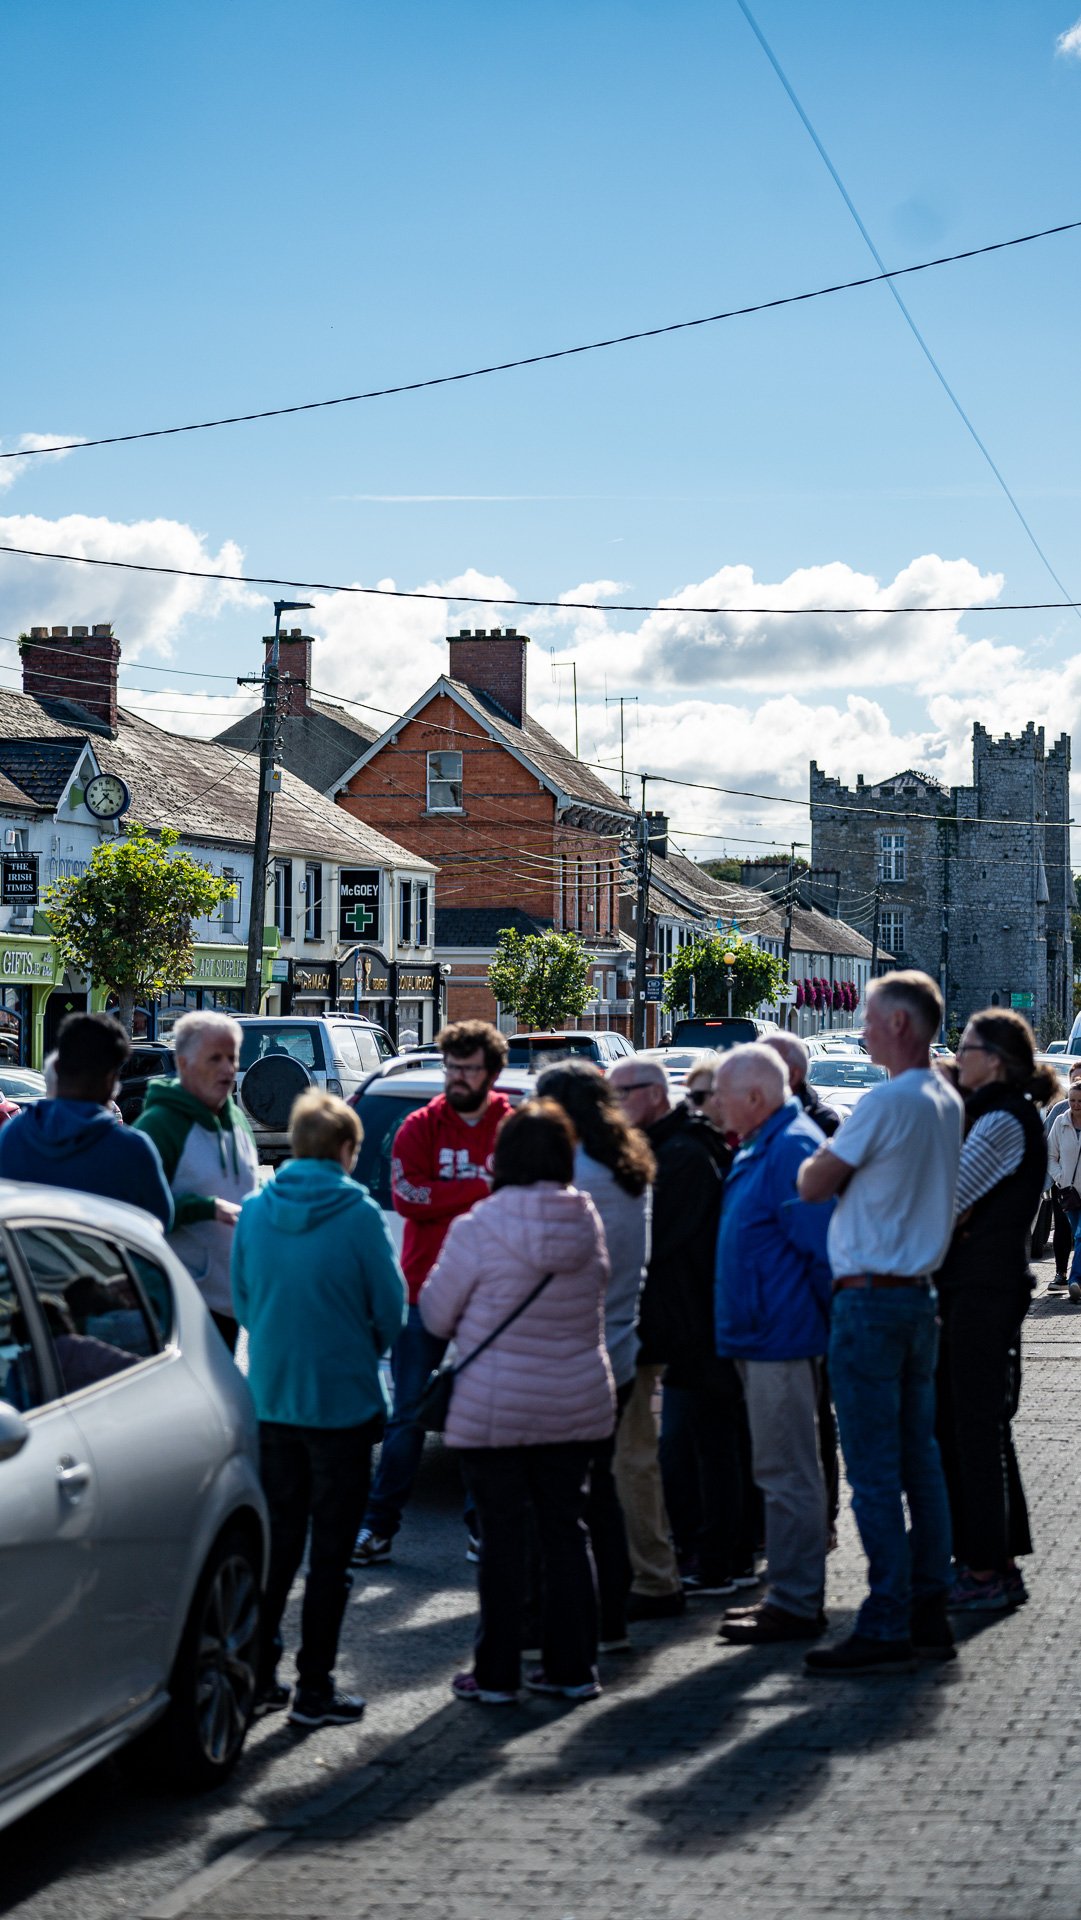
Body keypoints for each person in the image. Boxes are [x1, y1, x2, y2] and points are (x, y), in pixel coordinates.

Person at [420, 1099, 614, 1704]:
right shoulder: (587, 1222)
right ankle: (573, 1669)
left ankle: (497, 1673)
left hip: (495, 1407)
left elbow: (434, 1313)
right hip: (574, 1403)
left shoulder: (477, 1228)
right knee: (566, 1532)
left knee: (501, 1542)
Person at [797, 970, 963, 1675]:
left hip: (867, 1299)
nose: (860, 1028)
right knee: (920, 1463)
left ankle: (885, 1617)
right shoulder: (943, 1098)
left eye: (868, 1017)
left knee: (871, 1470)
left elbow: (812, 1182)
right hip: (918, 1294)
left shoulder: (885, 1100)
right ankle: (928, 1609)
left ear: (898, 1024)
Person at [232, 1091, 406, 1728]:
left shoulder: (255, 1211)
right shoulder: (358, 1214)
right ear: (344, 1150)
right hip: (341, 1402)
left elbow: (245, 1300)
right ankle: (314, 1687)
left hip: (273, 1400)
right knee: (330, 1558)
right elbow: (391, 1309)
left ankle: (257, 1675)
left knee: (276, 1548)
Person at [353, 1020, 512, 1564]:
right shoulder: (418, 1125)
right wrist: (480, 1188)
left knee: (482, 1418)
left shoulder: (510, 1127)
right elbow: (410, 1196)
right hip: (422, 1291)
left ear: (491, 1072)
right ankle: (377, 1529)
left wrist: (455, 1194)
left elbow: (515, 1200)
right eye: (452, 1067)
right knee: (407, 1415)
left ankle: (481, 1526)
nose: (458, 1077)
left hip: (489, 1295)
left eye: (469, 1068)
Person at [608, 1057, 752, 1608]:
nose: (614, 1107)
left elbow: (657, 1240)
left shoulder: (683, 1153)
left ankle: (719, 1559)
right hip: (682, 1319)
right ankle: (709, 1550)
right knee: (694, 1444)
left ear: (650, 1094)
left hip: (696, 1321)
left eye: (619, 1094)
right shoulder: (668, 1146)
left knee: (707, 1444)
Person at [711, 1046, 833, 1644]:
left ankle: (797, 1601)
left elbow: (822, 1251)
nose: (713, 1104)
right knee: (778, 1469)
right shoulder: (766, 1140)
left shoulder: (790, 1147)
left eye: (722, 1094)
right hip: (762, 1334)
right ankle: (788, 1593)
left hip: (780, 1337)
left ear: (756, 1098)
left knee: (790, 1473)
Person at [936, 1010, 1054, 1615]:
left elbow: (949, 1200)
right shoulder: (990, 1112)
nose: (958, 1056)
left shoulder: (1005, 1117)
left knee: (974, 1429)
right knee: (968, 1427)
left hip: (985, 1290)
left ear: (996, 1059)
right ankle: (994, 1558)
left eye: (966, 1047)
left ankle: (986, 1567)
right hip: (975, 1288)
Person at [536, 1060, 655, 1651]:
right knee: (603, 1491)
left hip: (574, 1357)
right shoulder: (626, 1169)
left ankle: (568, 1627)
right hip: (621, 1348)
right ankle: (611, 1617)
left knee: (562, 1504)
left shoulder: (574, 1177)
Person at [134, 1010, 259, 1350]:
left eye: (232, 1057)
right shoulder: (159, 1126)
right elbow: (133, 1214)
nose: (227, 1068)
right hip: (181, 1303)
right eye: (215, 1058)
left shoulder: (236, 1119)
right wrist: (205, 1209)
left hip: (234, 1299)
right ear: (184, 1063)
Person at [762, 1032, 842, 1544]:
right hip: (773, 1305)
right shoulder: (767, 1128)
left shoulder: (813, 1127)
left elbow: (817, 1231)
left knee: (815, 1417)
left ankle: (822, 1519)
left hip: (806, 1303)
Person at [0, 1012, 172, 1227]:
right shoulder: (132, 1150)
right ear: (113, 1082)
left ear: (55, 1068)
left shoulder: (12, 1135)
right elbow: (160, 1223)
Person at [763, 1033, 841, 1138]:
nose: (752, 1076)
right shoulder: (745, 1113)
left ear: (793, 1076)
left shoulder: (824, 1123)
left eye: (763, 1067)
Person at [1046, 1069, 1081, 1298]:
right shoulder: (1060, 1122)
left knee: (1080, 1236)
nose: (1076, 1105)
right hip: (1069, 1192)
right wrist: (1061, 1178)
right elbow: (1050, 1155)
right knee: (1075, 1233)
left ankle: (1076, 1281)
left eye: (1080, 1101)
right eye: (1072, 1100)